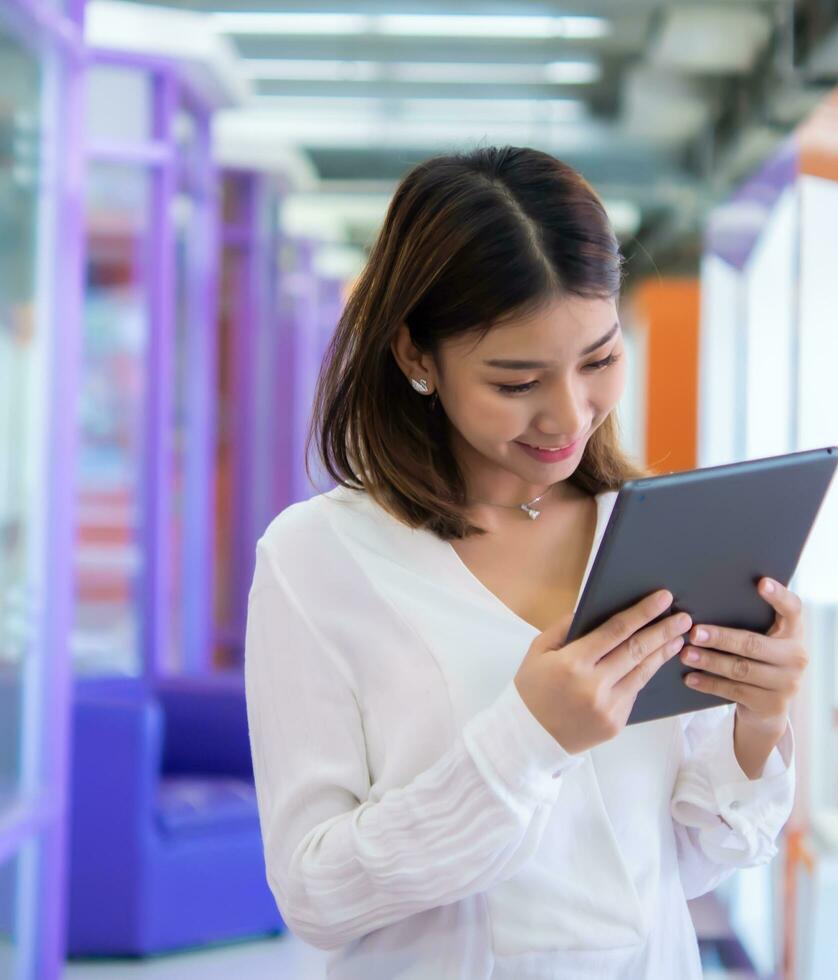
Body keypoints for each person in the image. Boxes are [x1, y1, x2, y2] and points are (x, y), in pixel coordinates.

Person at [243, 146, 807, 978]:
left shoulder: (652, 530)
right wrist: (527, 740)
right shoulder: (318, 558)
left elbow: (685, 866)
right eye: (516, 382)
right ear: (414, 357)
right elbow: (315, 895)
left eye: (601, 360)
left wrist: (758, 721)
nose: (568, 414)